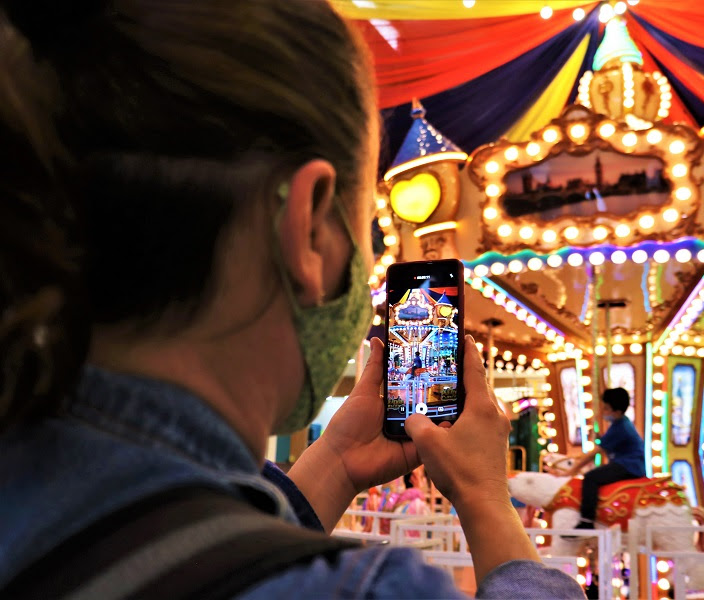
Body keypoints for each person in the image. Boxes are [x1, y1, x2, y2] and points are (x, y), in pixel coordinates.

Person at [0, 1, 584, 598]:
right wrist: (487, 499)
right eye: (368, 231)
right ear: (309, 229)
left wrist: (333, 465)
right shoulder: (361, 589)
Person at [564, 388, 646, 531]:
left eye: (607, 408)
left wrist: (571, 471)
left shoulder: (620, 428)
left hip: (628, 466)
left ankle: (587, 521)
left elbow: (595, 452)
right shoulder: (620, 423)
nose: (603, 411)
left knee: (590, 478)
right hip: (626, 464)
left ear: (618, 412)